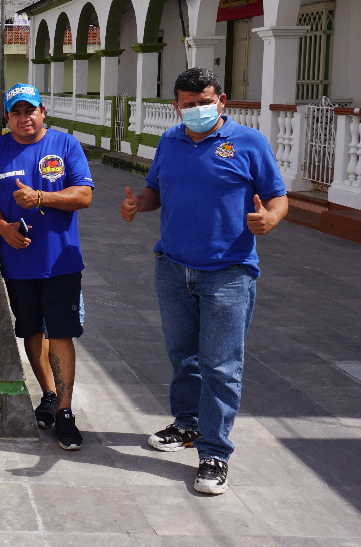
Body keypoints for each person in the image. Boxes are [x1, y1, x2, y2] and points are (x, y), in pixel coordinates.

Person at [120, 67, 288, 495]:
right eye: (188, 103)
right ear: (176, 104)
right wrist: (138, 204)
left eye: (204, 101)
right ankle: (188, 424)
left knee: (220, 365)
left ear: (222, 100)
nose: (196, 110)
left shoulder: (249, 143)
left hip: (228, 273)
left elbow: (278, 196)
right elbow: (155, 190)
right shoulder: (170, 141)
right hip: (173, 267)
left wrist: (269, 218)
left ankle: (215, 452)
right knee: (183, 355)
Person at [0, 83, 94, 450]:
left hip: (61, 260)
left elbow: (84, 195)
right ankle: (47, 393)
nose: (24, 118)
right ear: (7, 117)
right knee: (31, 330)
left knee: (60, 333)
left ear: (43, 111)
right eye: (16, 112)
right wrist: (3, 229)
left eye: (30, 111)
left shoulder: (64, 145)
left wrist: (41, 197)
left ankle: (64, 412)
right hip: (17, 263)